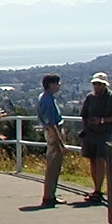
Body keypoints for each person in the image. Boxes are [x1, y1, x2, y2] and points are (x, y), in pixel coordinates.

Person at [79, 71, 112, 204]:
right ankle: (96, 188)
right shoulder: (90, 98)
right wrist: (85, 128)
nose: (96, 86)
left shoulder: (111, 97)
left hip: (104, 133)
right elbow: (84, 115)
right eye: (95, 84)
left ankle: (98, 190)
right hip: (90, 133)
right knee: (92, 160)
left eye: (99, 84)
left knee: (100, 160)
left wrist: (102, 120)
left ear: (104, 85)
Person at [37, 73, 66, 207]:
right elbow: (51, 123)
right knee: (54, 166)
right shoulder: (48, 100)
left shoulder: (45, 98)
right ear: (51, 85)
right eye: (57, 83)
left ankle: (51, 194)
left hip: (51, 132)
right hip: (53, 132)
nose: (59, 86)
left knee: (54, 166)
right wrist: (60, 142)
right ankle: (49, 196)